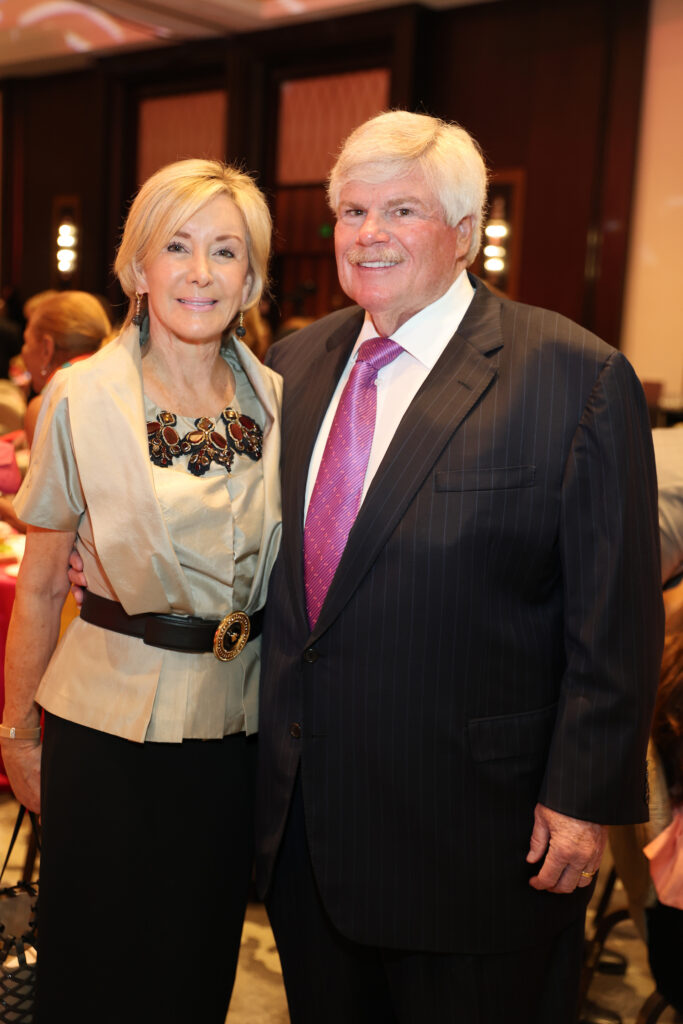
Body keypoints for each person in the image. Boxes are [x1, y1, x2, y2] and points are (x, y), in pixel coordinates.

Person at [255, 110, 665, 1024]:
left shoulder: (574, 375)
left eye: (401, 210)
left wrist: (581, 797)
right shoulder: (295, 365)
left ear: (466, 232)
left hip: (479, 841)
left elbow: (613, 618)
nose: (368, 234)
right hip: (308, 830)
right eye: (351, 211)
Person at [1, 158, 281, 1022]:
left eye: (226, 251)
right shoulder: (79, 399)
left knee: (197, 964)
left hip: (238, 724)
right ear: (136, 268)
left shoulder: (277, 398)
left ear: (252, 276)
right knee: (99, 967)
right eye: (178, 246)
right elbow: (44, 583)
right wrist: (16, 734)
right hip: (109, 725)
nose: (201, 272)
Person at [18, 289, 111, 446]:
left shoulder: (47, 408)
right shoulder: (118, 382)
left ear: (47, 349)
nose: (23, 353)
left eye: (26, 341)